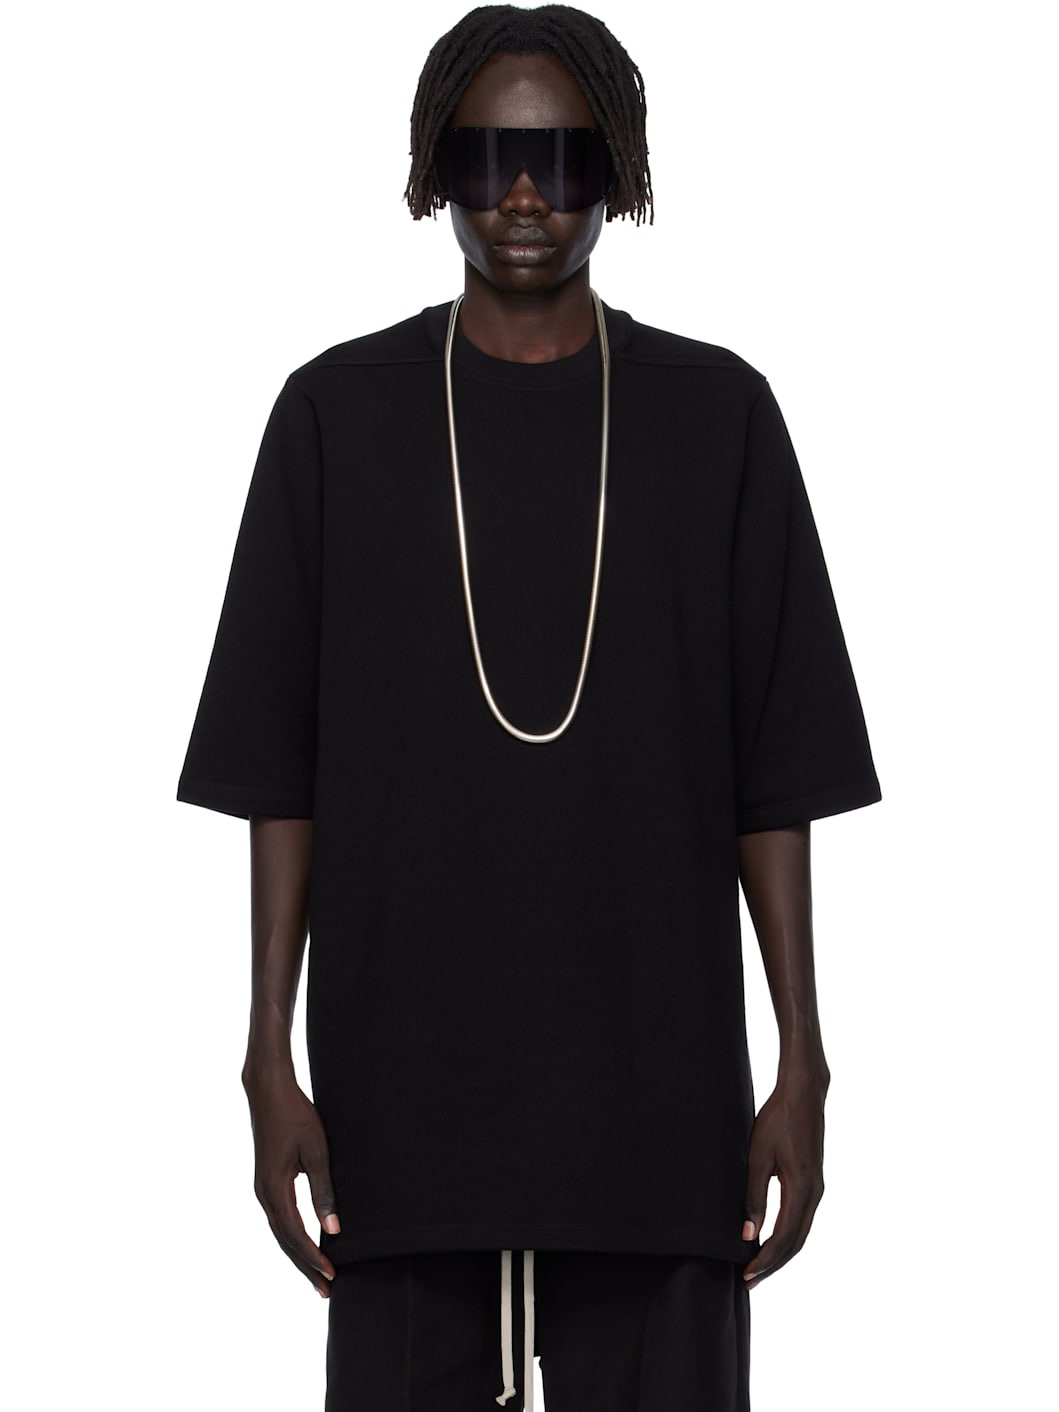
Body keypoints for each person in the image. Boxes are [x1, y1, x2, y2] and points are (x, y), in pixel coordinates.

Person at [176, 5, 882, 1408]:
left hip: (656, 1115)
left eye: (561, 159)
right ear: (432, 170)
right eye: (483, 156)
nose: (519, 193)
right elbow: (278, 776)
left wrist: (804, 1061)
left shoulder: (718, 416)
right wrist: (266, 1059)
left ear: (616, 173)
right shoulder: (333, 416)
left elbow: (777, 778)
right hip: (400, 1118)